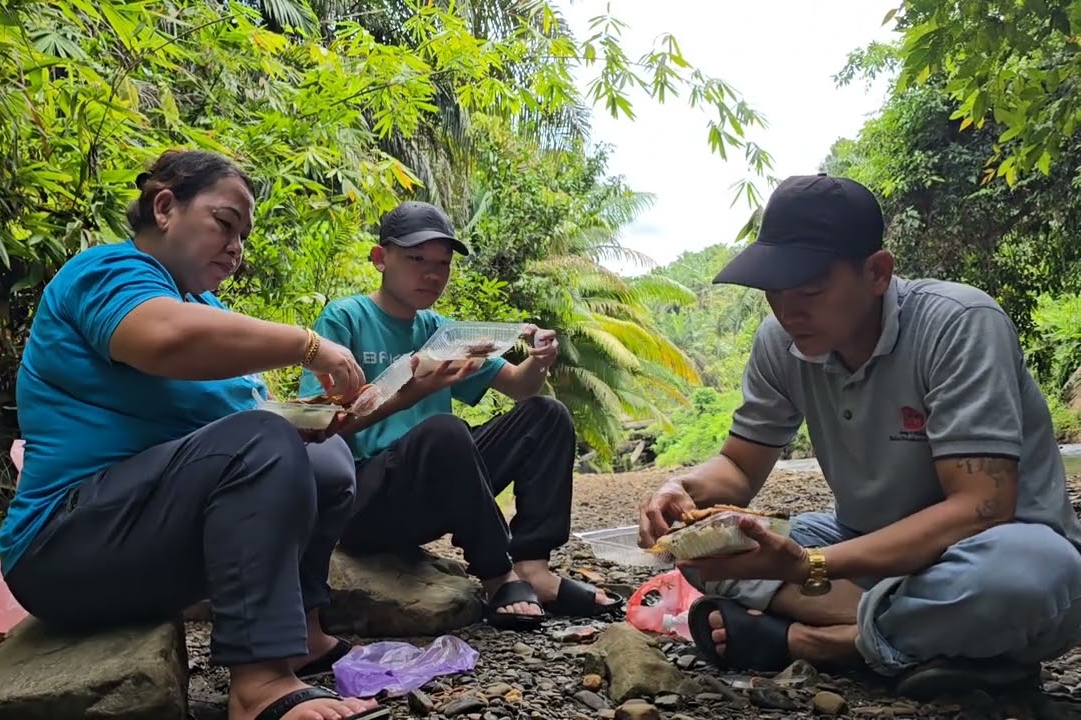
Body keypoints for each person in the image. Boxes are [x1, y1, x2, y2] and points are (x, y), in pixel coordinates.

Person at [637, 173, 1081, 700]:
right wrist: (682, 491)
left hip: (987, 549)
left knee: (1030, 580)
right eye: (774, 292)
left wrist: (811, 568)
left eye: (810, 290)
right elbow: (738, 467)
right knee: (707, 553)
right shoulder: (782, 343)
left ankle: (811, 642)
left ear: (877, 272)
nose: (789, 310)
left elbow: (981, 507)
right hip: (861, 545)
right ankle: (938, 640)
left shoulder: (959, 324)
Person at [0, 149, 388, 720]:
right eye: (225, 224)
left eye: (243, 236)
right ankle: (259, 687)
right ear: (164, 207)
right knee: (262, 441)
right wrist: (309, 344)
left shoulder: (205, 306)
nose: (236, 247)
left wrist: (395, 395)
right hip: (62, 547)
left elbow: (276, 436)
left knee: (326, 458)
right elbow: (162, 339)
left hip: (146, 548)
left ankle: (300, 635)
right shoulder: (108, 271)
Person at [298, 200, 623, 631]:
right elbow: (318, 426)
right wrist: (409, 394)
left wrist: (540, 360)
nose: (431, 274)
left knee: (546, 414)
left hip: (435, 486)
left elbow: (518, 386)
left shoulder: (442, 330)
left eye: (442, 264)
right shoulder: (345, 318)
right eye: (416, 259)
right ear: (380, 258)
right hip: (365, 501)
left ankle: (532, 567)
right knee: (445, 431)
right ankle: (496, 573)